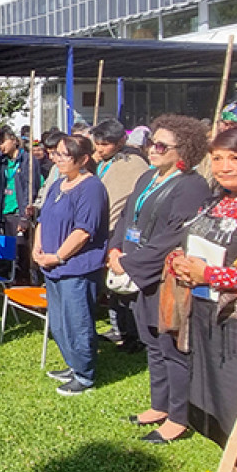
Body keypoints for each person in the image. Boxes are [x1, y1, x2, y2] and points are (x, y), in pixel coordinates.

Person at [168, 127, 237, 472]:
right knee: (221, 404)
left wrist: (209, 275)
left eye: (236, 158)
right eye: (219, 158)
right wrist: (178, 261)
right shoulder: (214, 202)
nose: (224, 166)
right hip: (209, 319)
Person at [107, 115, 210, 443]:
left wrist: (131, 263)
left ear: (185, 150)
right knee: (151, 341)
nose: (153, 149)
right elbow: (125, 216)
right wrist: (115, 250)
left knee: (171, 345)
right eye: (152, 141)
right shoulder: (148, 176)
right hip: (136, 270)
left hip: (166, 275)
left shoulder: (192, 186)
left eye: (162, 145)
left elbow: (173, 236)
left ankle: (179, 418)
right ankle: (159, 405)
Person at [33, 135, 109, 395]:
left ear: (83, 159)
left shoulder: (91, 188)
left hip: (76, 267)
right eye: (56, 154)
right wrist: (38, 247)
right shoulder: (58, 184)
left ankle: (85, 374)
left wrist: (58, 256)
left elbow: (83, 231)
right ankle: (73, 364)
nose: (56, 159)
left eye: (63, 155)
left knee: (78, 321)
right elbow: (43, 219)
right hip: (52, 266)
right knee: (59, 321)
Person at [90, 118, 150, 351]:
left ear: (121, 141)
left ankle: (134, 335)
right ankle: (119, 328)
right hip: (107, 229)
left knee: (126, 285)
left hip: (124, 232)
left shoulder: (132, 164)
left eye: (105, 144)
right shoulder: (107, 161)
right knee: (113, 285)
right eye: (97, 143)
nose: (99, 149)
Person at [0, 126, 41, 284]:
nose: (1, 146)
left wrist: (25, 217)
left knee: (23, 251)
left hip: (19, 212)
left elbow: (31, 189)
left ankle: (27, 283)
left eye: (3, 141)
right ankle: (12, 280)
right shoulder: (1, 161)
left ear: (14, 140)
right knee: (10, 250)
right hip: (5, 211)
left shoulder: (28, 160)